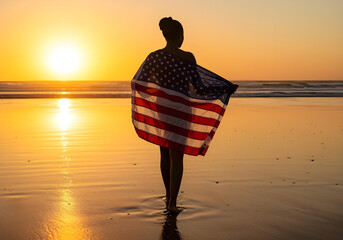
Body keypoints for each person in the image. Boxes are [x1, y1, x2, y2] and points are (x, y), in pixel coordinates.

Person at [132, 17, 238, 214]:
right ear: (179, 36)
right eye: (183, 35)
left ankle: (168, 195)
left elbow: (140, 81)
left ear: (165, 35)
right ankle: (172, 202)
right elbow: (199, 87)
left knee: (164, 152)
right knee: (176, 156)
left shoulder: (154, 57)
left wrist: (156, 98)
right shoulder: (188, 57)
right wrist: (224, 88)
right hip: (181, 112)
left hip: (163, 110)